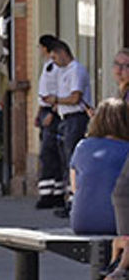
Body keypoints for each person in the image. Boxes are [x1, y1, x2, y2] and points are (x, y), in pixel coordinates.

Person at [69, 99, 129, 236]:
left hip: (82, 222)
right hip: (119, 223)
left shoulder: (82, 146)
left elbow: (74, 187)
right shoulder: (126, 149)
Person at [47, 39, 92, 216]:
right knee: (66, 160)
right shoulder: (64, 71)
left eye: (54, 57)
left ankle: (76, 203)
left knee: (73, 160)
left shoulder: (76, 70)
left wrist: (56, 100)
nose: (54, 62)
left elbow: (75, 98)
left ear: (62, 53)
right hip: (66, 119)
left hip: (76, 119)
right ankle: (70, 201)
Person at [35, 35, 64, 208]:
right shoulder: (48, 66)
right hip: (45, 110)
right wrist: (39, 113)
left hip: (53, 113)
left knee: (49, 152)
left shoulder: (56, 68)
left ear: (45, 48)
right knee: (47, 153)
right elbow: (43, 93)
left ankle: (52, 195)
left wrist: (52, 113)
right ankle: (49, 192)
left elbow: (60, 92)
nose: (38, 50)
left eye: (39, 47)